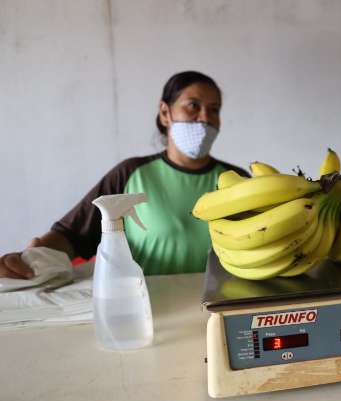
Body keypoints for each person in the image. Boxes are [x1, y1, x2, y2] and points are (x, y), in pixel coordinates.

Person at [0, 70, 247, 277]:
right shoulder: (131, 174)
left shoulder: (237, 181)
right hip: (148, 313)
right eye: (193, 106)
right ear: (165, 113)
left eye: (214, 109)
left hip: (222, 310)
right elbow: (72, 235)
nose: (205, 118)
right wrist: (31, 257)